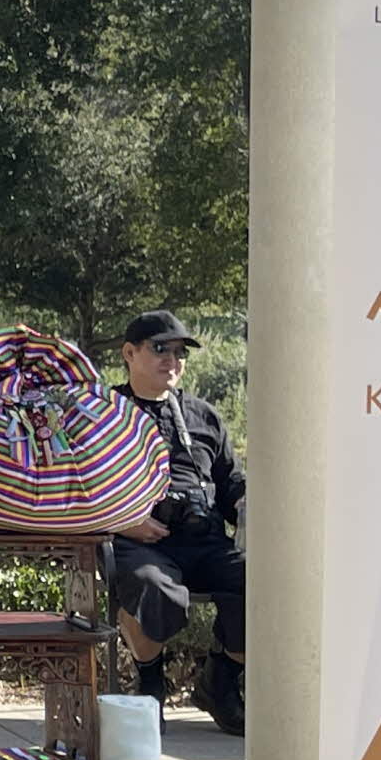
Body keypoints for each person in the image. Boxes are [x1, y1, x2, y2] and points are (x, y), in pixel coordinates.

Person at [111, 309, 246, 736]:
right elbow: (77, 488)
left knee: (268, 588)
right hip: (138, 541)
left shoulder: (202, 415)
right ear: (129, 354)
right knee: (156, 589)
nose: (172, 359)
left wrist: (246, 503)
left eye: (179, 352)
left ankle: (219, 682)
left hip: (205, 538)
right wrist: (127, 521)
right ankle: (150, 680)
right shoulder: (105, 415)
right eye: (160, 349)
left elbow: (231, 481)